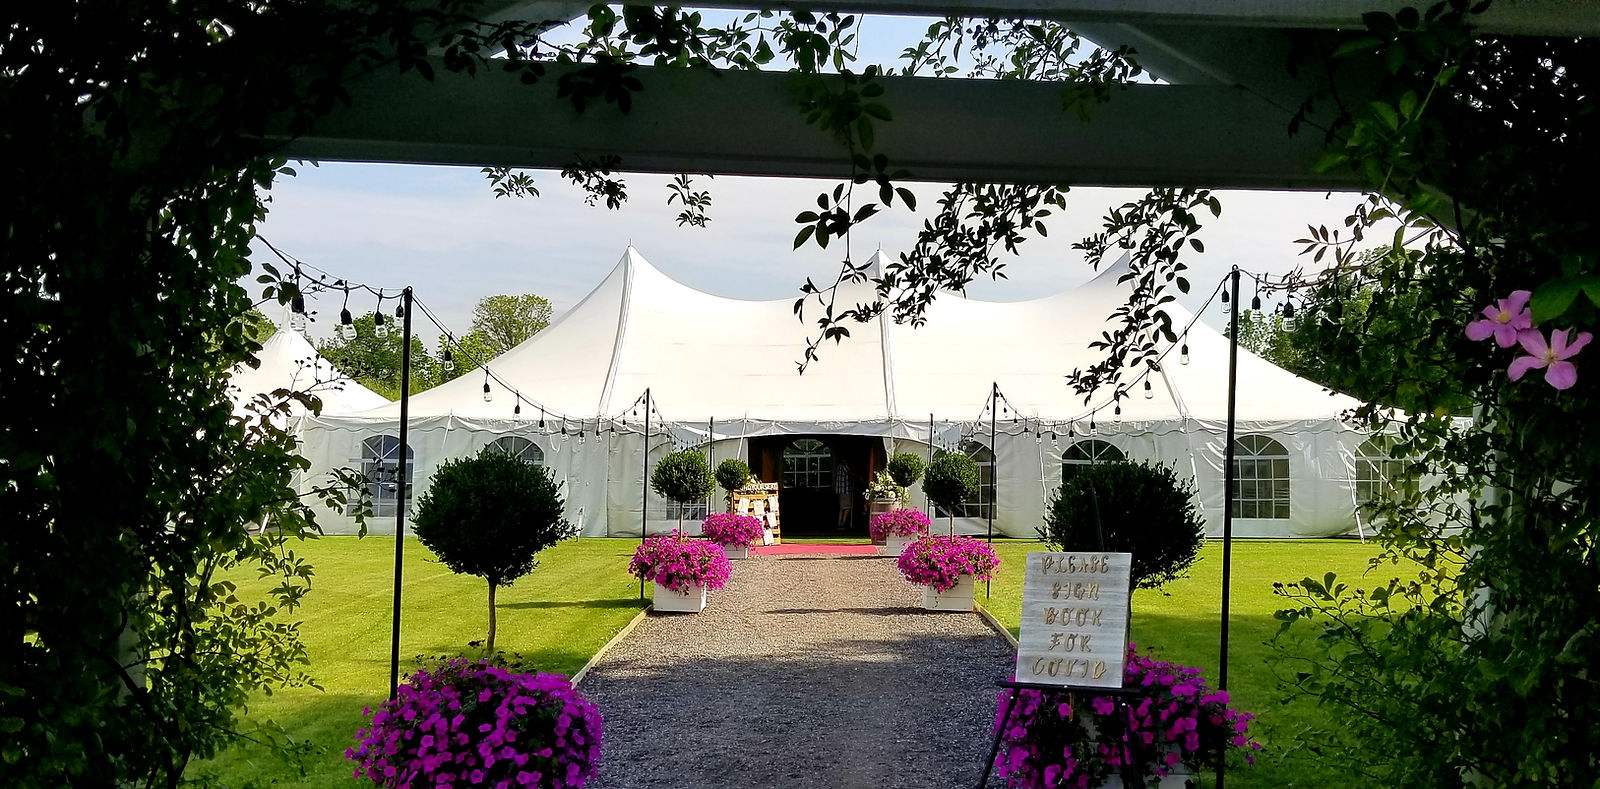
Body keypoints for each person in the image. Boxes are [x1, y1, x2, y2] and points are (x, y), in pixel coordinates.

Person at [834, 460, 853, 530]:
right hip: (845, 490)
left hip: (841, 490)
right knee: (848, 507)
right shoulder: (844, 466)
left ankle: (840, 522)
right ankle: (843, 523)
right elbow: (849, 473)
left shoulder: (839, 467)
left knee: (842, 507)